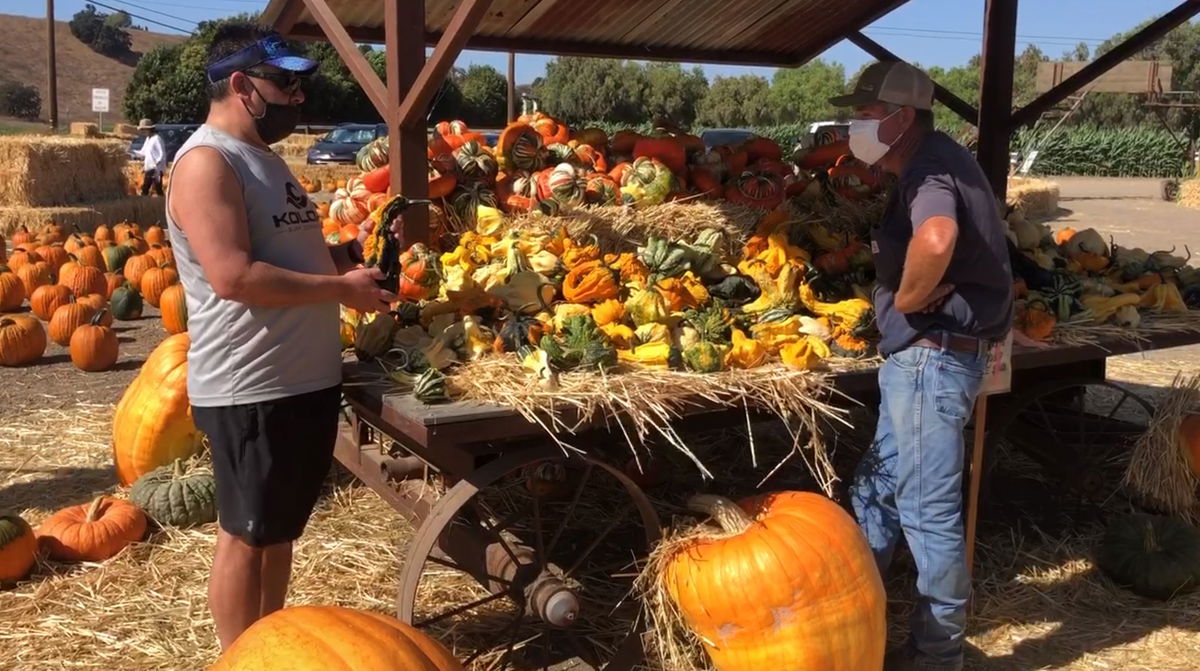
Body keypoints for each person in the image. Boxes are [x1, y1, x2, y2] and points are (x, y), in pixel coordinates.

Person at [163, 22, 395, 650]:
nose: (298, 97)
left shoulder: (264, 160)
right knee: (245, 533)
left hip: (301, 380)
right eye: (285, 83)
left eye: (300, 84)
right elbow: (234, 276)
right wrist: (341, 292)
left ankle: (269, 645)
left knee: (278, 530)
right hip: (251, 385)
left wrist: (347, 259)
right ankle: (240, 658)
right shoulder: (206, 163)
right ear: (240, 85)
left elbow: (293, 252)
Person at [828, 61, 1013, 671]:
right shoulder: (933, 161)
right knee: (875, 491)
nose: (855, 124)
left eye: (866, 113)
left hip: (932, 363)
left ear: (902, 118)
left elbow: (936, 239)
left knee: (927, 511)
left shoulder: (931, 169)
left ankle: (938, 656)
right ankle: (856, 622)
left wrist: (907, 301)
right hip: (920, 363)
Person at [135, 118, 166, 196]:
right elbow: (143, 153)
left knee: (151, 188)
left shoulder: (157, 139)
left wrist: (157, 167)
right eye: (141, 130)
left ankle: (161, 202)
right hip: (149, 168)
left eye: (143, 130)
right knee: (152, 188)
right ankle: (160, 201)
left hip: (155, 169)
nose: (142, 132)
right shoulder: (148, 139)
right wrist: (131, 153)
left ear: (149, 129)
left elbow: (162, 155)